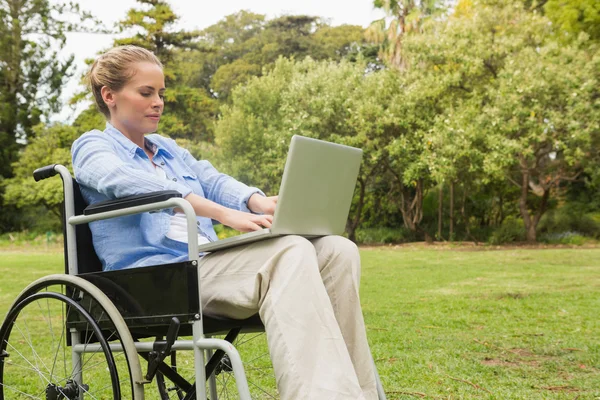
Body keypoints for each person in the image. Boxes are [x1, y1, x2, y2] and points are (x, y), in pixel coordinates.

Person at [72, 45, 377, 400]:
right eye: (146, 93)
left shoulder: (166, 148)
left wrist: (256, 201)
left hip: (204, 263)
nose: (159, 102)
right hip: (155, 277)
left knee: (337, 250)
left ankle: (362, 394)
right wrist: (222, 214)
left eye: (161, 94)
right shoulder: (92, 146)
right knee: (289, 251)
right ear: (110, 96)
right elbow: (126, 182)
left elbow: (211, 178)